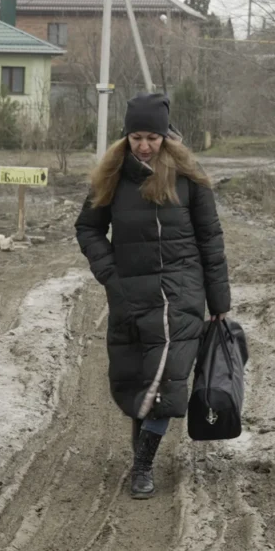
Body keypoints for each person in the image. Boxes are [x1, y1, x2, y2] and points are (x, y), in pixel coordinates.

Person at [75, 92, 231, 499]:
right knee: (139, 379)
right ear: (126, 136)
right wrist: (111, 274)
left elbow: (211, 239)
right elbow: (87, 228)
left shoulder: (189, 176)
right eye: (136, 137)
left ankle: (142, 465)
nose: (144, 145)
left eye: (152, 138)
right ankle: (143, 439)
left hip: (182, 293)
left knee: (166, 376)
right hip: (131, 294)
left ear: (166, 137)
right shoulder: (112, 175)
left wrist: (218, 303)